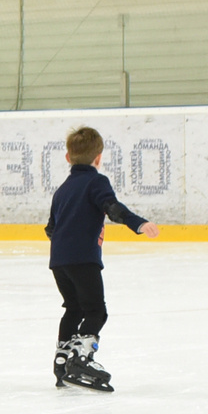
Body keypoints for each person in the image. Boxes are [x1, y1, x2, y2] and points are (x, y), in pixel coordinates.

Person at [46, 126, 160, 392]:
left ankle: (62, 361)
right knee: (96, 311)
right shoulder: (96, 182)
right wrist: (138, 223)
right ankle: (80, 358)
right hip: (83, 259)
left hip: (59, 261)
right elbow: (112, 208)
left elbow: (51, 228)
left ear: (68, 157)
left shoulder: (61, 190)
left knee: (73, 309)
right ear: (98, 158)